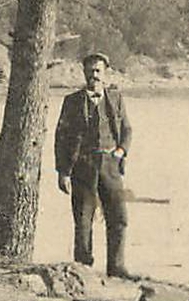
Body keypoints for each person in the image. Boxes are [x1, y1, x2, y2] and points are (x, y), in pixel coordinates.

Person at [54, 52, 134, 278]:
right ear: (84, 73)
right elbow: (61, 137)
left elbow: (127, 129)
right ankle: (83, 268)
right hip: (83, 165)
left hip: (110, 164)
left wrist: (121, 150)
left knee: (118, 216)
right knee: (83, 218)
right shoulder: (72, 101)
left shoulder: (116, 99)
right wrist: (63, 172)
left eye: (98, 71)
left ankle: (116, 268)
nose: (94, 75)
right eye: (90, 71)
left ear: (105, 73)